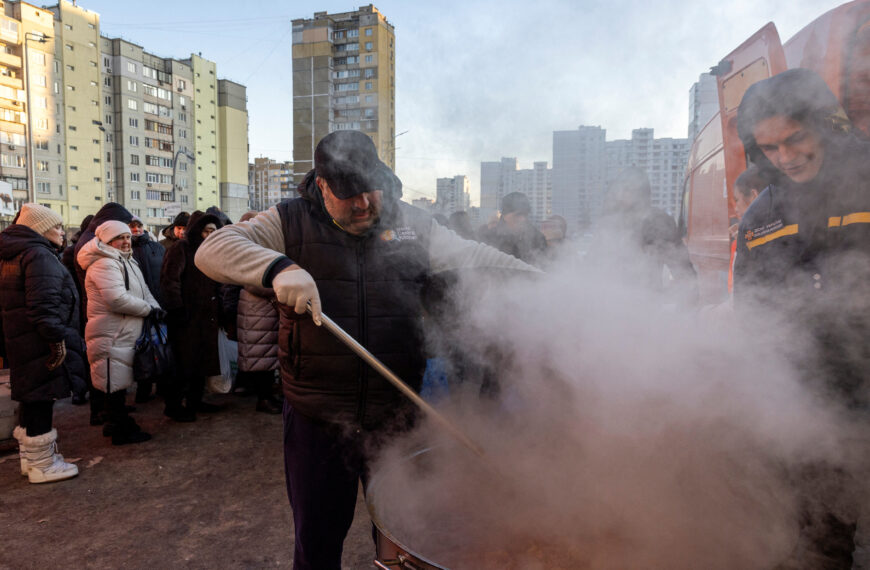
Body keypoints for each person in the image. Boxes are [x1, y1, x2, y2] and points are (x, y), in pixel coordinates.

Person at [194, 130, 538, 569]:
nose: (363, 204)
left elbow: (475, 258)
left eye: (369, 189)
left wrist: (545, 285)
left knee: (407, 539)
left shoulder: (413, 224)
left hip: (396, 413)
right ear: (321, 184)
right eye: (347, 193)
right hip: (317, 417)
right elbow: (213, 249)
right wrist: (278, 267)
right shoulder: (289, 221)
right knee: (317, 542)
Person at [734, 68, 870, 567]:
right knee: (818, 541)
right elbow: (753, 315)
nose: (785, 157)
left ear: (824, 123)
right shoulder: (760, 218)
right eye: (770, 148)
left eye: (794, 139)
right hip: (811, 409)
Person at [0, 204, 87, 483]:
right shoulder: (38, 255)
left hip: (22, 339)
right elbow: (44, 307)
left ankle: (31, 460)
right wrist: (56, 340)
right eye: (57, 227)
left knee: (31, 396)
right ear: (39, 229)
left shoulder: (16, 253)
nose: (62, 232)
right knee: (41, 398)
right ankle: (43, 466)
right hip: (40, 342)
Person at [77, 220, 161, 445]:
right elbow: (116, 300)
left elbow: (144, 291)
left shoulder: (126, 260)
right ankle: (120, 430)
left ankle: (116, 422)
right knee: (112, 383)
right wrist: (149, 310)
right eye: (119, 238)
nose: (125, 241)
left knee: (117, 382)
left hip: (123, 332)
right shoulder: (104, 263)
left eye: (127, 237)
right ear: (107, 241)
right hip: (111, 334)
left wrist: (155, 307)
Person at [589, 167, 697, 304]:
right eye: (622, 189)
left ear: (643, 193)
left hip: (646, 305)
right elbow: (591, 266)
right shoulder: (607, 224)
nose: (622, 194)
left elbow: (683, 272)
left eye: (630, 189)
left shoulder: (658, 222)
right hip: (609, 305)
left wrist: (684, 305)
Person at [160, 210, 224, 422]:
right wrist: (177, 309)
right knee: (183, 364)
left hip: (206, 317)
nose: (210, 235)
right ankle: (174, 405)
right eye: (206, 231)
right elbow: (170, 280)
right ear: (196, 231)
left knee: (201, 362)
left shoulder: (212, 251)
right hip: (186, 317)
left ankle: (195, 401)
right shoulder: (181, 248)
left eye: (213, 231)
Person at [73, 202, 133, 426]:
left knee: (105, 366)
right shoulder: (96, 245)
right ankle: (108, 415)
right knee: (107, 366)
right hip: (105, 315)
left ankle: (106, 412)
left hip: (97, 312)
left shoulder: (91, 239)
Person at [129, 216, 166, 403]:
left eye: (139, 226)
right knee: (142, 348)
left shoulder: (157, 247)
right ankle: (143, 389)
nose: (136, 230)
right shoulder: (126, 250)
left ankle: (162, 386)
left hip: (159, 304)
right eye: (132, 227)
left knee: (161, 345)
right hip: (138, 306)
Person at [478, 192, 548, 266]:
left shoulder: (538, 239)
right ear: (504, 216)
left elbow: (544, 266)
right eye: (518, 215)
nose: (523, 219)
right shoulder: (489, 238)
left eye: (525, 214)